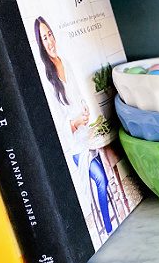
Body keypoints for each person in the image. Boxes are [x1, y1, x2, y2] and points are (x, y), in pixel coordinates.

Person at [33, 16, 113, 236]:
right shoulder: (47, 77)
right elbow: (56, 118)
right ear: (40, 44)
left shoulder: (64, 61)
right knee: (99, 179)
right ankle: (106, 228)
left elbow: (78, 96)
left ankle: (108, 225)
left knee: (104, 169)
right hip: (74, 143)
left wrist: (85, 111)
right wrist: (76, 122)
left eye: (50, 35)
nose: (49, 41)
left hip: (87, 133)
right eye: (44, 38)